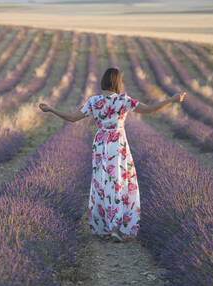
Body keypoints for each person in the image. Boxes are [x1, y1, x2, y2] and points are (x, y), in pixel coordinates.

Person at [38, 67, 186, 242]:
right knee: (119, 181)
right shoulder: (123, 100)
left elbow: (71, 117)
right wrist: (172, 99)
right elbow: (151, 109)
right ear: (118, 83)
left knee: (103, 182)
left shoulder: (94, 102)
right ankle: (116, 227)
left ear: (103, 81)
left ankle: (108, 225)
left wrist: (51, 109)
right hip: (117, 143)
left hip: (101, 144)